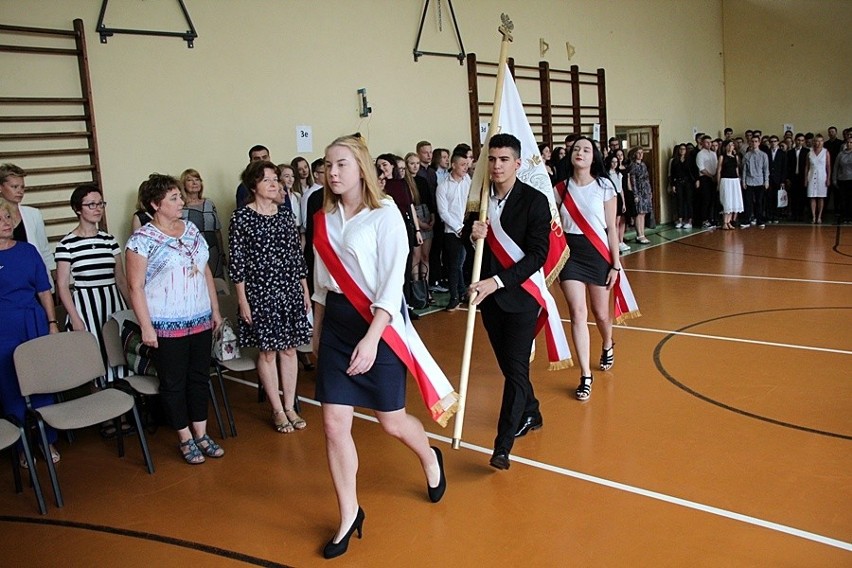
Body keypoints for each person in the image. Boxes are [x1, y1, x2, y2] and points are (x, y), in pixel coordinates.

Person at [312, 134, 449, 559]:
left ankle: (429, 458)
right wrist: (317, 336)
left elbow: (392, 285)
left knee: (390, 421)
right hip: (336, 323)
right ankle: (349, 512)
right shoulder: (323, 216)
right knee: (334, 424)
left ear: (361, 169)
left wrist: (372, 339)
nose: (332, 173)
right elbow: (321, 283)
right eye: (328, 165)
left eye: (341, 165)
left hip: (380, 326)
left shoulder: (386, 213)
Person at [126, 174, 225, 464]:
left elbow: (205, 270)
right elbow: (135, 287)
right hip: (166, 325)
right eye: (174, 198)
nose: (181, 201)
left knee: (198, 377)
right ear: (156, 204)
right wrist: (146, 326)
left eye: (179, 196)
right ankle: (184, 438)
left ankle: (202, 433)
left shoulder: (192, 230)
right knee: (173, 382)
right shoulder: (142, 240)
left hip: (199, 319)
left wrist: (215, 310)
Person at [468, 133, 552, 470]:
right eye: (492, 159)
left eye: (504, 159)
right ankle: (531, 410)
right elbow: (470, 244)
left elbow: (538, 255)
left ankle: (502, 447)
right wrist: (470, 236)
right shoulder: (481, 200)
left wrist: (497, 281)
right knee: (510, 368)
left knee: (515, 370)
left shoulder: (534, 201)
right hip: (490, 303)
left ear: (517, 163)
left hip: (520, 299)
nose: (497, 165)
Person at [229, 161, 312, 434]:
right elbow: (237, 264)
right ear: (254, 186)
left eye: (275, 178)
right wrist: (242, 300)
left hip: (288, 288)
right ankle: (277, 409)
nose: (274, 183)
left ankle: (290, 406)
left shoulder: (284, 215)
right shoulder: (240, 218)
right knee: (267, 352)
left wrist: (304, 289)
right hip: (259, 292)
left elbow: (296, 256)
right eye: (267, 180)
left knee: (289, 349)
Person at [554, 137, 632, 401]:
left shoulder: (604, 187)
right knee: (577, 313)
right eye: (576, 149)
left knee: (600, 314)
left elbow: (611, 228)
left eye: (586, 150)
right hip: (571, 255)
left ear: (593, 156)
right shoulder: (560, 189)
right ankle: (586, 375)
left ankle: (608, 342)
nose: (580, 153)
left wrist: (615, 264)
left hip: (598, 253)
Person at [0, 198, 61, 467]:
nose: (7, 223)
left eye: (8, 217)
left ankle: (47, 441)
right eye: (0, 219)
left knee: (42, 383)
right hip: (4, 327)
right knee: (11, 387)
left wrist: (52, 322)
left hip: (34, 321)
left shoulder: (27, 251)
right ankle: (22, 446)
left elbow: (43, 290)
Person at [55, 184, 129, 385]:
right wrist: (75, 318)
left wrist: (132, 308)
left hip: (112, 302)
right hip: (85, 306)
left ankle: (126, 412)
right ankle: (103, 413)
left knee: (119, 355)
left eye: (100, 204)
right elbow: (62, 286)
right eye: (91, 205)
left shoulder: (109, 240)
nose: (97, 209)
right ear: (78, 209)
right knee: (96, 362)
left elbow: (121, 279)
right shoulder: (66, 244)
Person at [0, 164, 54, 285]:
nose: (20, 191)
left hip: (33, 278)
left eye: (22, 187)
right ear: (1, 187)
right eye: (14, 187)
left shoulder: (33, 214)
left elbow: (43, 249)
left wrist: (52, 279)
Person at [436, 152, 471, 311]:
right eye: (462, 165)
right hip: (452, 231)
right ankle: (454, 296)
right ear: (454, 165)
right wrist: (458, 227)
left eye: (467, 164)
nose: (466, 167)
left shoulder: (468, 181)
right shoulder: (443, 186)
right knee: (454, 264)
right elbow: (443, 212)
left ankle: (463, 292)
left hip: (467, 227)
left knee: (462, 263)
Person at [180, 169, 226, 278]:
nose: (195, 182)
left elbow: (217, 231)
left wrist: (222, 253)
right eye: (190, 180)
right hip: (190, 253)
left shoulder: (209, 203)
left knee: (217, 285)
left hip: (212, 250)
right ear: (183, 185)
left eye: (197, 179)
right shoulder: (181, 206)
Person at [717, 140, 744, 230]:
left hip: (734, 180)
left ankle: (729, 222)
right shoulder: (722, 157)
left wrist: (738, 180)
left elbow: (736, 169)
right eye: (728, 145)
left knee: (733, 201)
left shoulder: (735, 157)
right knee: (727, 201)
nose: (730, 147)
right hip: (726, 180)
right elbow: (719, 171)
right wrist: (718, 183)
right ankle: (724, 222)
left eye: (731, 145)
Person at [627, 147, 652, 243]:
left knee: (644, 213)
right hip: (639, 191)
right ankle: (639, 234)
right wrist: (635, 194)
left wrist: (649, 192)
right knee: (638, 213)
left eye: (642, 153)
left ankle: (643, 233)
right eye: (638, 153)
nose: (641, 155)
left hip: (645, 191)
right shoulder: (633, 166)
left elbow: (647, 179)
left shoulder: (643, 165)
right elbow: (633, 181)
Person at [805, 134, 831, 224]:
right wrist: (805, 179)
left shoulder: (826, 152)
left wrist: (828, 178)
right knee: (812, 197)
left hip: (822, 177)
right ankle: (813, 216)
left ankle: (819, 216)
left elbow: (828, 166)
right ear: (813, 142)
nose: (818, 143)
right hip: (811, 176)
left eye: (820, 141)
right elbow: (807, 167)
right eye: (816, 141)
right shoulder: (810, 152)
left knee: (820, 197)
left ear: (823, 142)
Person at [668, 144, 694, 229]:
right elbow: (672, 174)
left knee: (688, 201)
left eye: (683, 149)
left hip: (688, 183)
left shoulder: (690, 160)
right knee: (679, 201)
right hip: (678, 182)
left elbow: (694, 171)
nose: (682, 150)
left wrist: (695, 181)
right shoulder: (675, 161)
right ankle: (680, 220)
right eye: (680, 149)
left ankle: (689, 221)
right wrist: (673, 185)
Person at [833, 131, 852, 224]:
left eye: (851, 143)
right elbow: (836, 167)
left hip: (851, 180)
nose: (849, 144)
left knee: (851, 199)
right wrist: (834, 179)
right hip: (842, 180)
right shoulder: (841, 154)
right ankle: (844, 216)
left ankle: (850, 217)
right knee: (843, 200)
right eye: (847, 142)